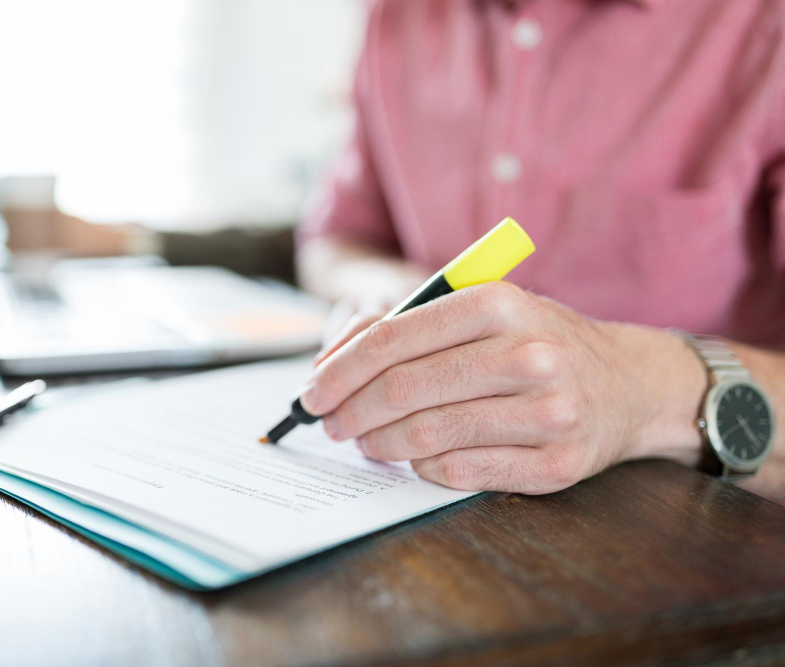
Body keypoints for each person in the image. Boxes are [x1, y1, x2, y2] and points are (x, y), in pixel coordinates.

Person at [294, 0, 785, 502]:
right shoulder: (399, 13)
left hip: (696, 516)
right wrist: (403, 300)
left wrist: (641, 389)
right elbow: (334, 240)